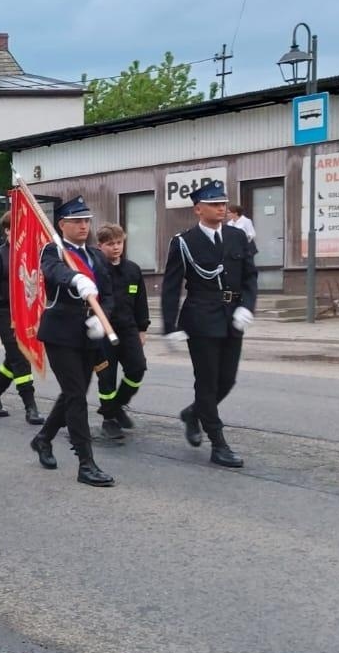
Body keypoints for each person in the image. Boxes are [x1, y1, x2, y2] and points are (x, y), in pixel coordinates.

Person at [161, 180, 258, 468]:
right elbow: (171, 286)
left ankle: (193, 414)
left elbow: (251, 276)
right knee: (207, 381)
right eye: (215, 204)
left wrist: (246, 307)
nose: (222, 208)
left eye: (223, 203)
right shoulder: (184, 242)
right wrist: (170, 326)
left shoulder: (238, 237)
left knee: (226, 380)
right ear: (198, 209)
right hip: (201, 318)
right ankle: (218, 443)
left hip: (233, 317)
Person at [28, 198, 116, 487]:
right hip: (61, 333)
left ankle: (43, 438)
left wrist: (101, 320)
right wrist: (76, 279)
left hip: (89, 334)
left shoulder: (96, 255)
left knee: (72, 393)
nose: (83, 226)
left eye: (86, 221)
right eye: (77, 221)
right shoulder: (53, 250)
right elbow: (54, 272)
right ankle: (86, 464)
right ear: (62, 225)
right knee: (76, 396)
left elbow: (109, 295)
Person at [0, 226, 44, 425]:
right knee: (21, 357)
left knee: (13, 358)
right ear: (6, 230)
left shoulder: (30, 253)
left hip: (26, 311)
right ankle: (30, 407)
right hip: (5, 312)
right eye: (15, 228)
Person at [94, 224, 149, 440]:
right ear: (100, 246)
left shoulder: (133, 270)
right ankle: (109, 419)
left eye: (119, 243)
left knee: (137, 369)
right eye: (110, 244)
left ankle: (117, 406)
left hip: (128, 329)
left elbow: (140, 301)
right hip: (103, 332)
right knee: (106, 376)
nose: (116, 248)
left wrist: (142, 329)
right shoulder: (95, 270)